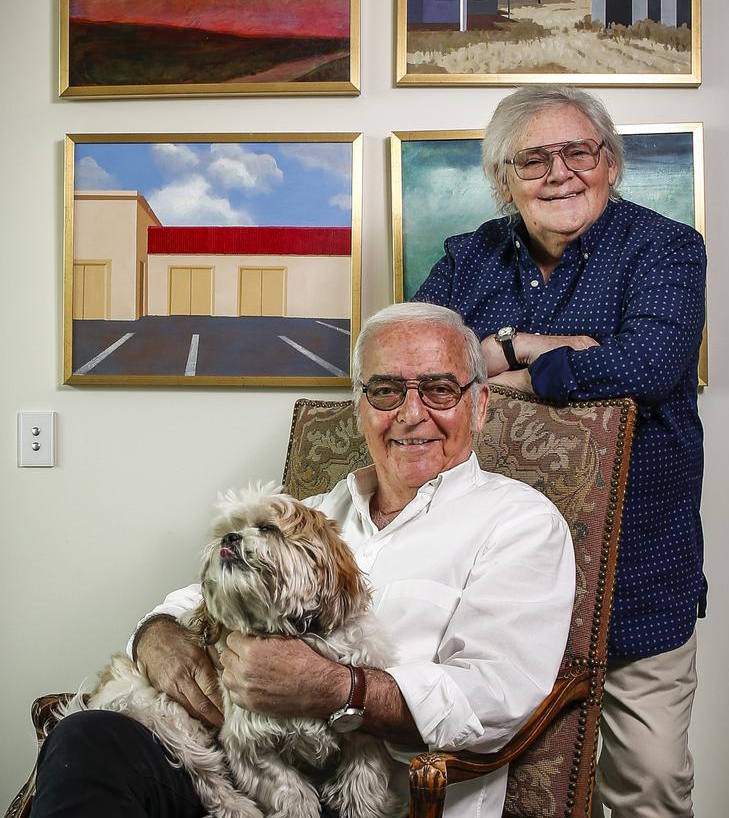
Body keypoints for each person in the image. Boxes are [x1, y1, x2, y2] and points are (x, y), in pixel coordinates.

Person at [31, 302, 575, 818]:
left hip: (375, 792)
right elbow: (192, 600)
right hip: (235, 769)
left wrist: (339, 688)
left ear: (478, 406)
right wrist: (155, 636)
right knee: (87, 738)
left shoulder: (520, 524)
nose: (412, 414)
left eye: (439, 390)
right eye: (385, 391)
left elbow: (492, 700)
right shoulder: (306, 514)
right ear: (360, 408)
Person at [413, 86, 707, 818]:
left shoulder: (667, 248)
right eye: (533, 159)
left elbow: (651, 364)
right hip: (483, 572)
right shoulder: (465, 260)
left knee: (651, 786)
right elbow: (421, 372)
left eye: (579, 152)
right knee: (494, 779)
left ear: (609, 164)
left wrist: (499, 359)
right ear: (502, 179)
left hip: (634, 568)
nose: (560, 173)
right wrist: (539, 348)